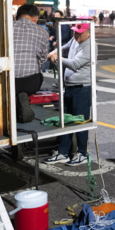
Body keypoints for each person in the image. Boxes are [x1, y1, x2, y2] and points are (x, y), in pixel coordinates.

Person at [43, 23, 96, 166]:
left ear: (89, 32)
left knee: (80, 122)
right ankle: (63, 152)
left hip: (82, 89)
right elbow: (64, 48)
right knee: (66, 121)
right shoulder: (75, 39)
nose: (77, 35)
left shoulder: (90, 46)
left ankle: (82, 153)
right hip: (69, 88)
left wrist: (57, 59)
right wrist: (53, 53)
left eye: (80, 33)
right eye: (75, 32)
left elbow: (75, 64)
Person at [13, 4, 49, 123]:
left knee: (10, 90)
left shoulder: (5, 27)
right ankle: (24, 97)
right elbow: (42, 59)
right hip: (31, 82)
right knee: (38, 75)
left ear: (16, 17)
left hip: (8, 81)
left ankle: (16, 101)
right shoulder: (42, 31)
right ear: (35, 18)